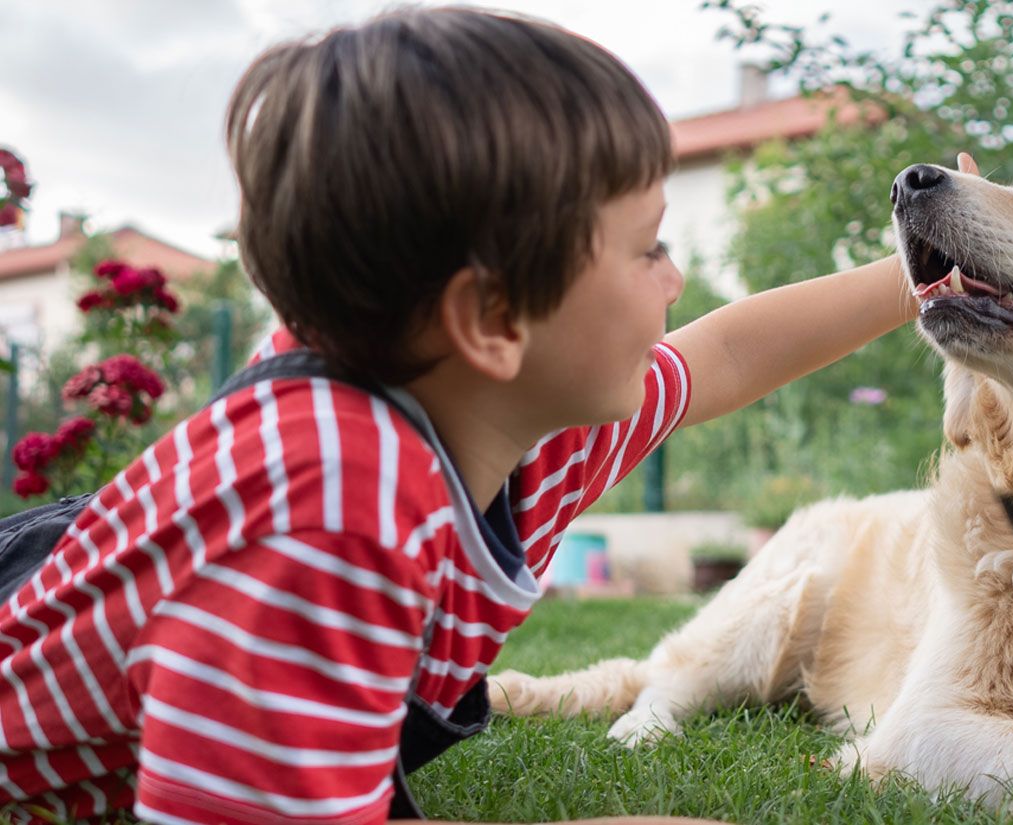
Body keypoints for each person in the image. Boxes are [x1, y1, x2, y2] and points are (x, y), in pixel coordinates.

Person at [0, 7, 962, 823]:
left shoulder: (506, 414)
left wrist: (922, 271)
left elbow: (727, 353)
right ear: (493, 318)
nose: (675, 279)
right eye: (647, 248)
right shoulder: (327, 517)